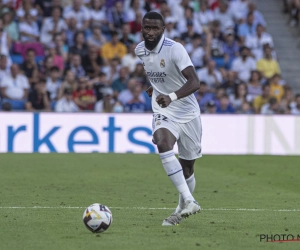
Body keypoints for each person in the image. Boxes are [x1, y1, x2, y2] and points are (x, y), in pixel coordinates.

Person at [135, 12, 201, 226]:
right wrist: (154, 88)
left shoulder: (175, 49)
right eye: (147, 28)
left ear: (163, 29)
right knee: (163, 143)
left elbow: (194, 82)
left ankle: (179, 211)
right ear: (142, 28)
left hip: (188, 113)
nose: (150, 32)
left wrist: (171, 96)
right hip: (163, 110)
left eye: (155, 28)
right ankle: (190, 200)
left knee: (188, 168)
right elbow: (157, 73)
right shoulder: (140, 50)